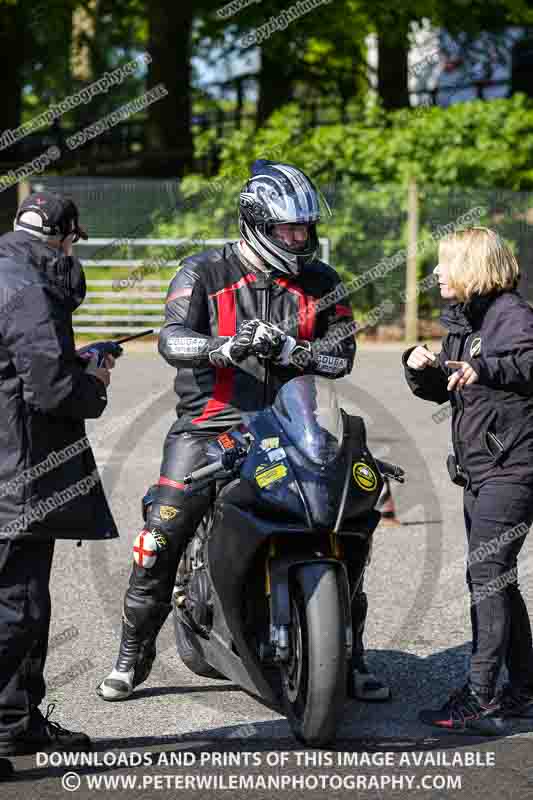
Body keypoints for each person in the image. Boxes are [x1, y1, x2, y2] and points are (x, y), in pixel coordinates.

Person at [97, 160, 391, 703]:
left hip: (295, 421)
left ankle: (351, 655)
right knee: (163, 530)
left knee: (350, 522)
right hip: (210, 426)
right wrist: (219, 347)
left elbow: (343, 354)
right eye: (289, 229)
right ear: (257, 222)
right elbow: (170, 340)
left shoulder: (322, 281)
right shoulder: (203, 271)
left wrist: (294, 350)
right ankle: (133, 652)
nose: (301, 238)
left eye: (305, 228)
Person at [0, 191, 119, 758]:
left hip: (15, 462)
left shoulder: (7, 271)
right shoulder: (30, 288)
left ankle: (17, 723)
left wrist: (78, 359)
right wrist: (93, 383)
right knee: (15, 608)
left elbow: (23, 365)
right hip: (18, 474)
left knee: (27, 605)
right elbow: (49, 389)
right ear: (65, 238)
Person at [403, 226, 533, 735]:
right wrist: (421, 369)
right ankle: (523, 689)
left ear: (473, 267)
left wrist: (486, 368)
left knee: (486, 577)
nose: (436, 273)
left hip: (514, 469)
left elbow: (524, 364)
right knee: (497, 578)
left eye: (445, 264)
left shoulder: (511, 316)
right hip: (482, 471)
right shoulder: (466, 319)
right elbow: (451, 389)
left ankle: (481, 697)